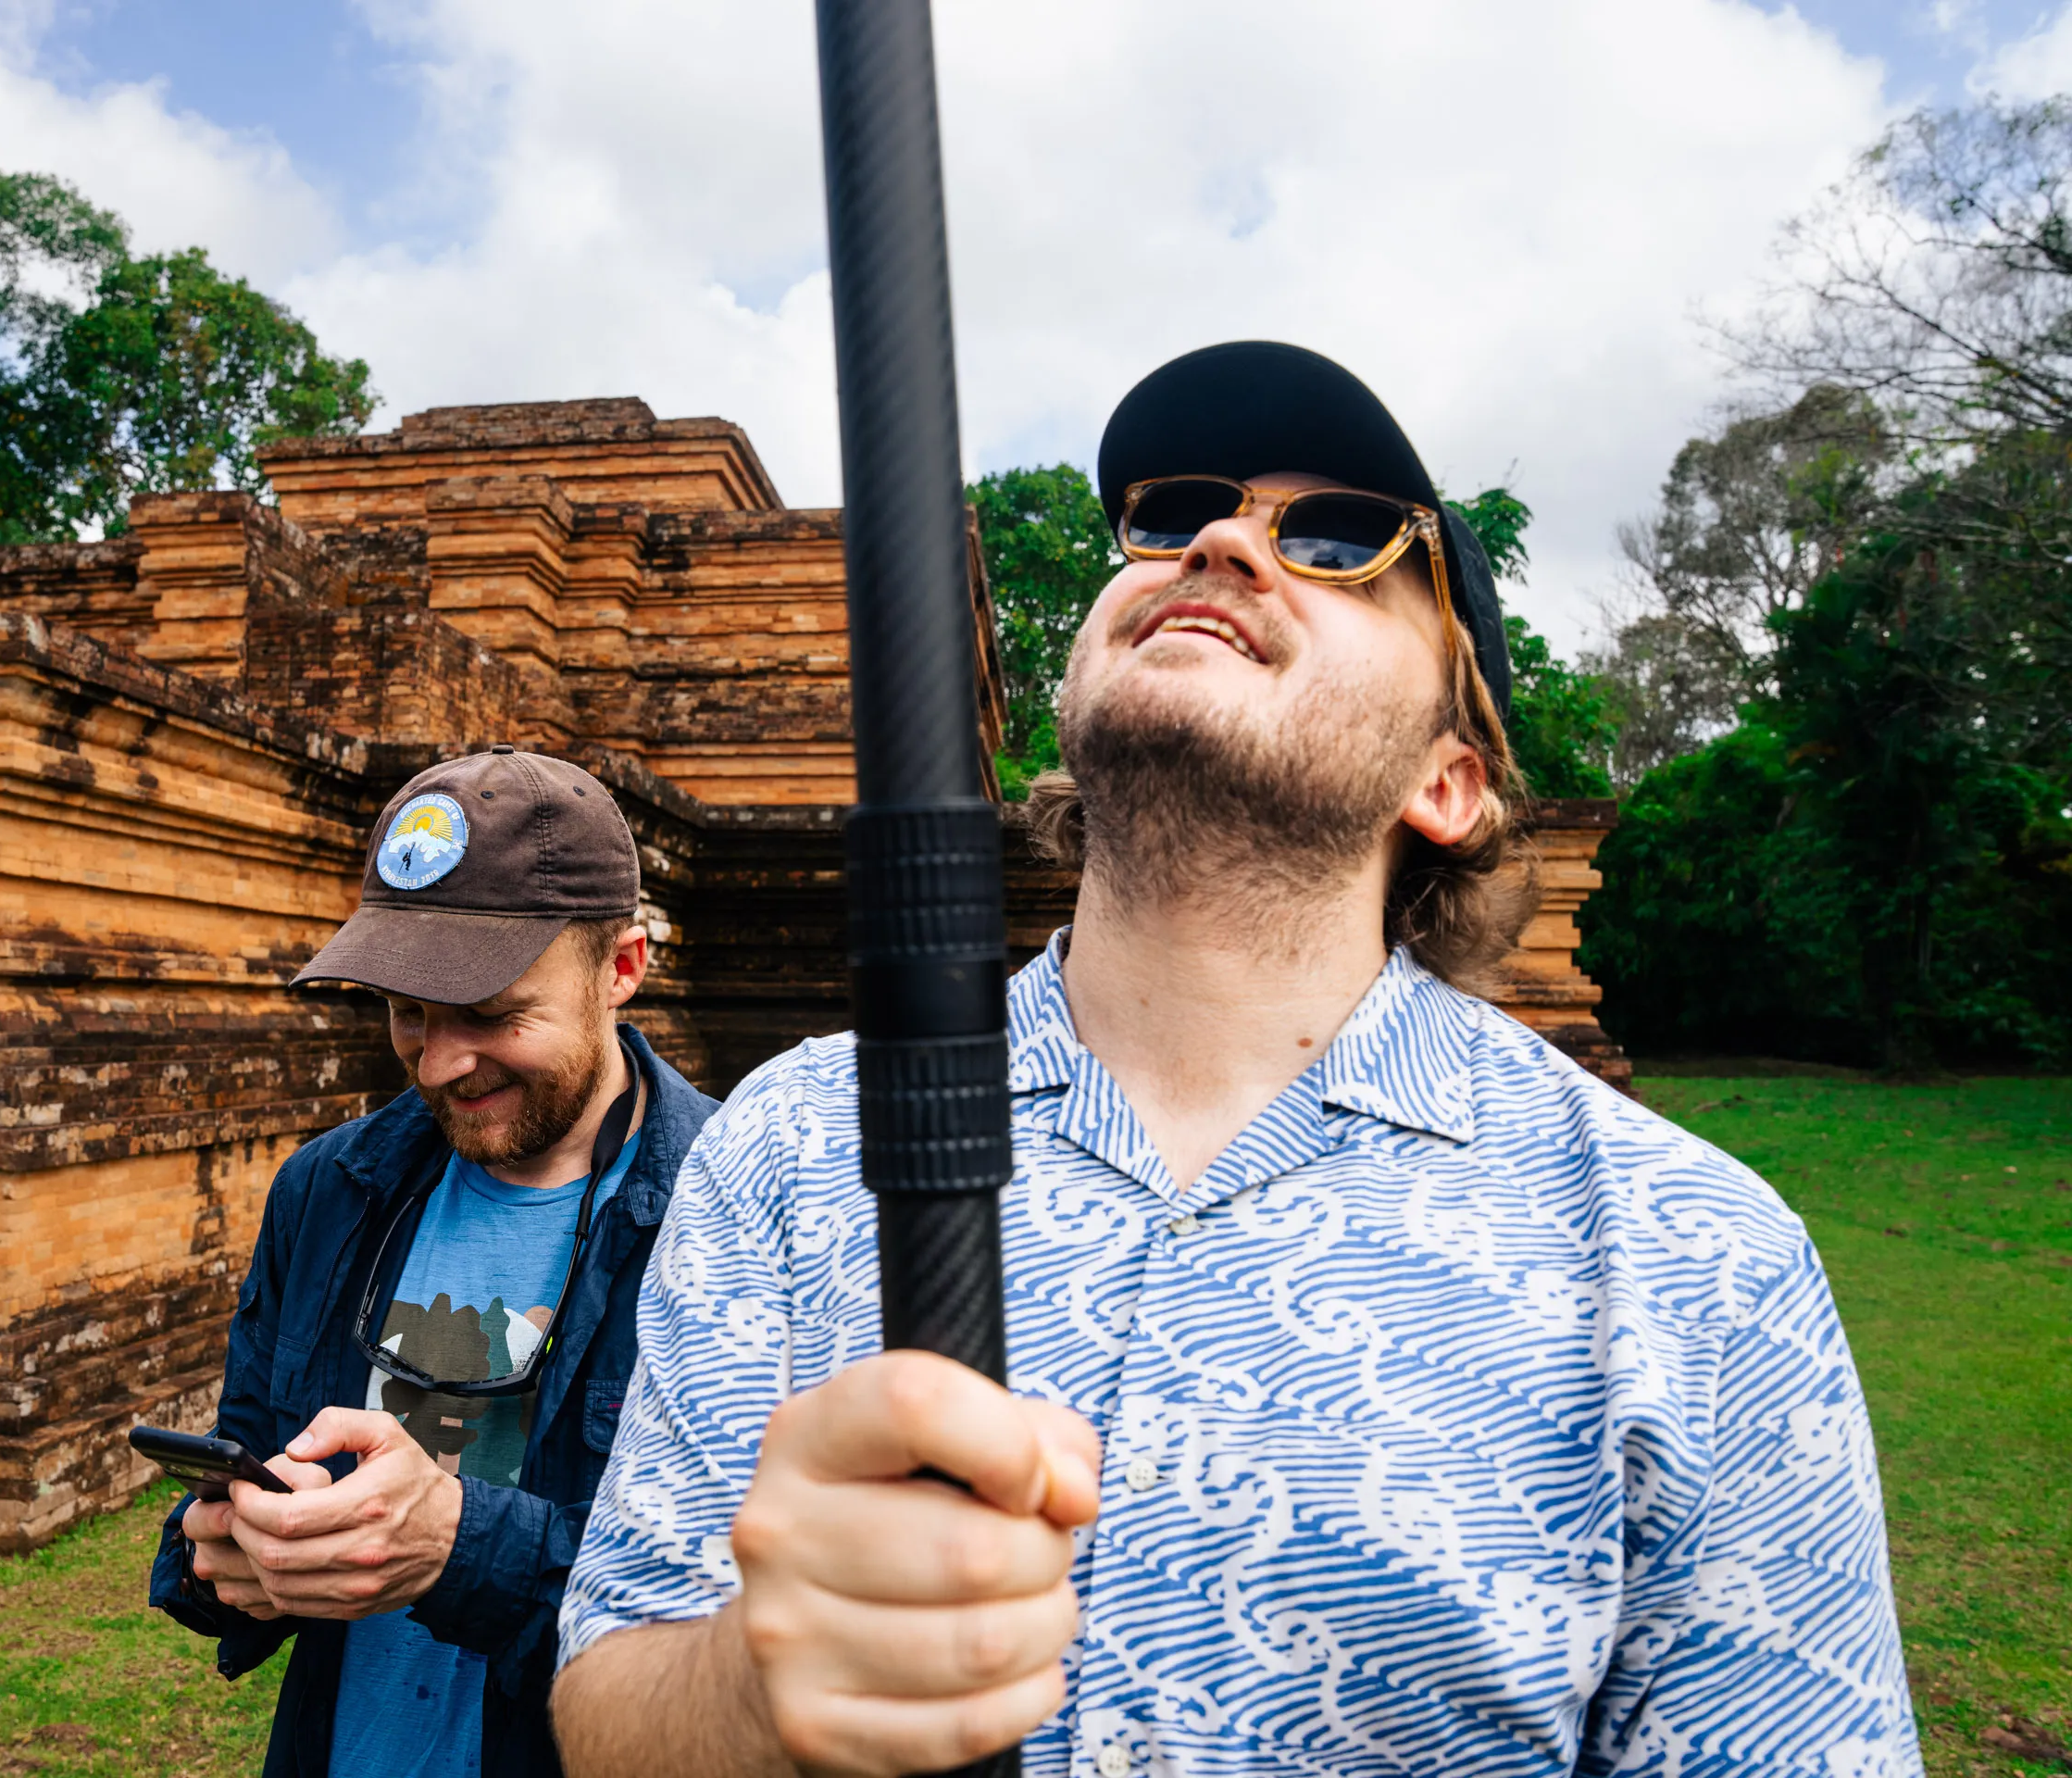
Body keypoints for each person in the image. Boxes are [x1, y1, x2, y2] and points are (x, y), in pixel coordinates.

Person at [548, 343, 1921, 1778]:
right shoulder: (794, 1139)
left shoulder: (1692, 1255)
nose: (1215, 540)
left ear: (1445, 782)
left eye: (1335, 541)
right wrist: (764, 1687)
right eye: (1175, 512)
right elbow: (608, 1707)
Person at [149, 745, 718, 1778]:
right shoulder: (329, 1188)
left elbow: (745, 1605)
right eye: (407, 1009)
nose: (440, 1061)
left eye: (494, 1014)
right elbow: (248, 1447)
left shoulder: (736, 1209)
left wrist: (460, 1548)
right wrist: (218, 1552)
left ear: (622, 968)